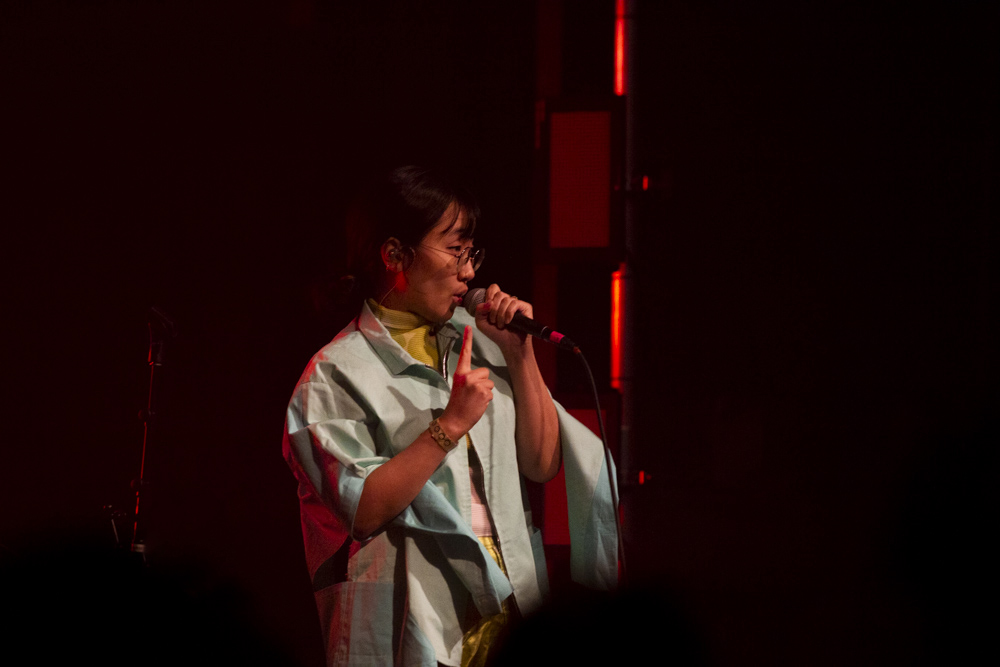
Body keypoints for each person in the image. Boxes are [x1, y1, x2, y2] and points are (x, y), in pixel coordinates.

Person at [282, 166, 617, 666]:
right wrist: (448, 426)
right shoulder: (334, 374)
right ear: (396, 254)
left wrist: (519, 353)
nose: (469, 272)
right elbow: (364, 509)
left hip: (509, 605)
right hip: (418, 614)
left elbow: (542, 464)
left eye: (471, 253)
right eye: (455, 251)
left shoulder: (481, 340)